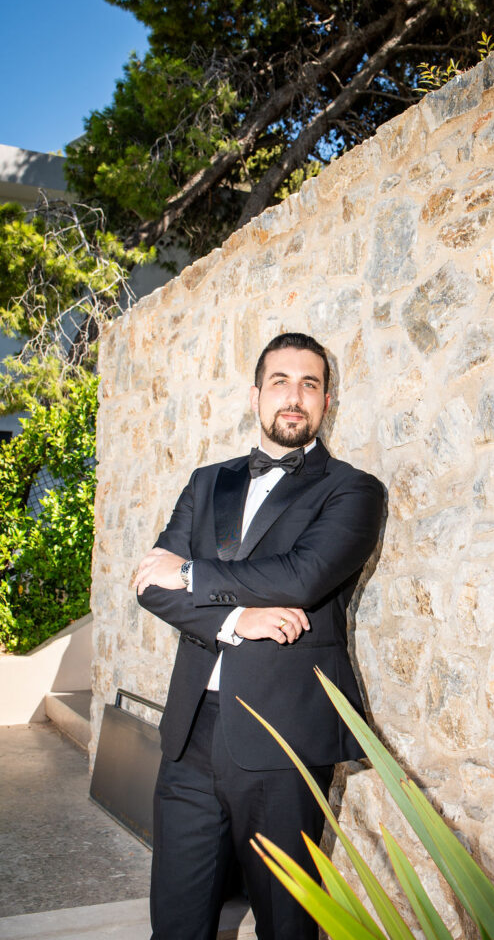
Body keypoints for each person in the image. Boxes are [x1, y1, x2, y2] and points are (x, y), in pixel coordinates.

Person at [134, 332, 384, 940]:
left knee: (286, 924)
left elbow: (301, 577)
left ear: (326, 402)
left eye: (310, 384)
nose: (294, 397)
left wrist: (191, 573)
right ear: (256, 395)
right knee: (175, 922)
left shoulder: (354, 490)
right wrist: (234, 621)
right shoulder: (206, 482)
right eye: (280, 382)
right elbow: (149, 585)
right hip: (190, 734)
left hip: (284, 738)